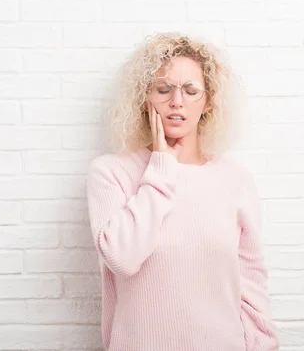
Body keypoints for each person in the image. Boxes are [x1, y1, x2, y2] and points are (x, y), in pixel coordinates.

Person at [86, 32, 279, 351]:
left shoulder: (234, 179)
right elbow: (122, 258)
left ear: (207, 102)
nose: (177, 102)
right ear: (144, 97)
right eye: (164, 89)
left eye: (191, 91)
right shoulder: (111, 173)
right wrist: (161, 167)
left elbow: (251, 282)